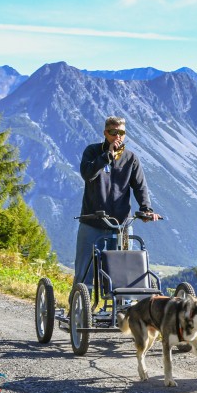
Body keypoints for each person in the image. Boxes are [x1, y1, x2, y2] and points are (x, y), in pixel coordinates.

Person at [73, 116, 159, 291]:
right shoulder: (92, 152)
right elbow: (88, 175)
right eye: (113, 132)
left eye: (121, 133)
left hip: (121, 226)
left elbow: (140, 187)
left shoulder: (131, 159)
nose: (117, 136)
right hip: (92, 222)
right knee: (84, 275)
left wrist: (146, 209)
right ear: (105, 133)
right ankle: (79, 312)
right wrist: (106, 157)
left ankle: (121, 314)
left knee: (122, 277)